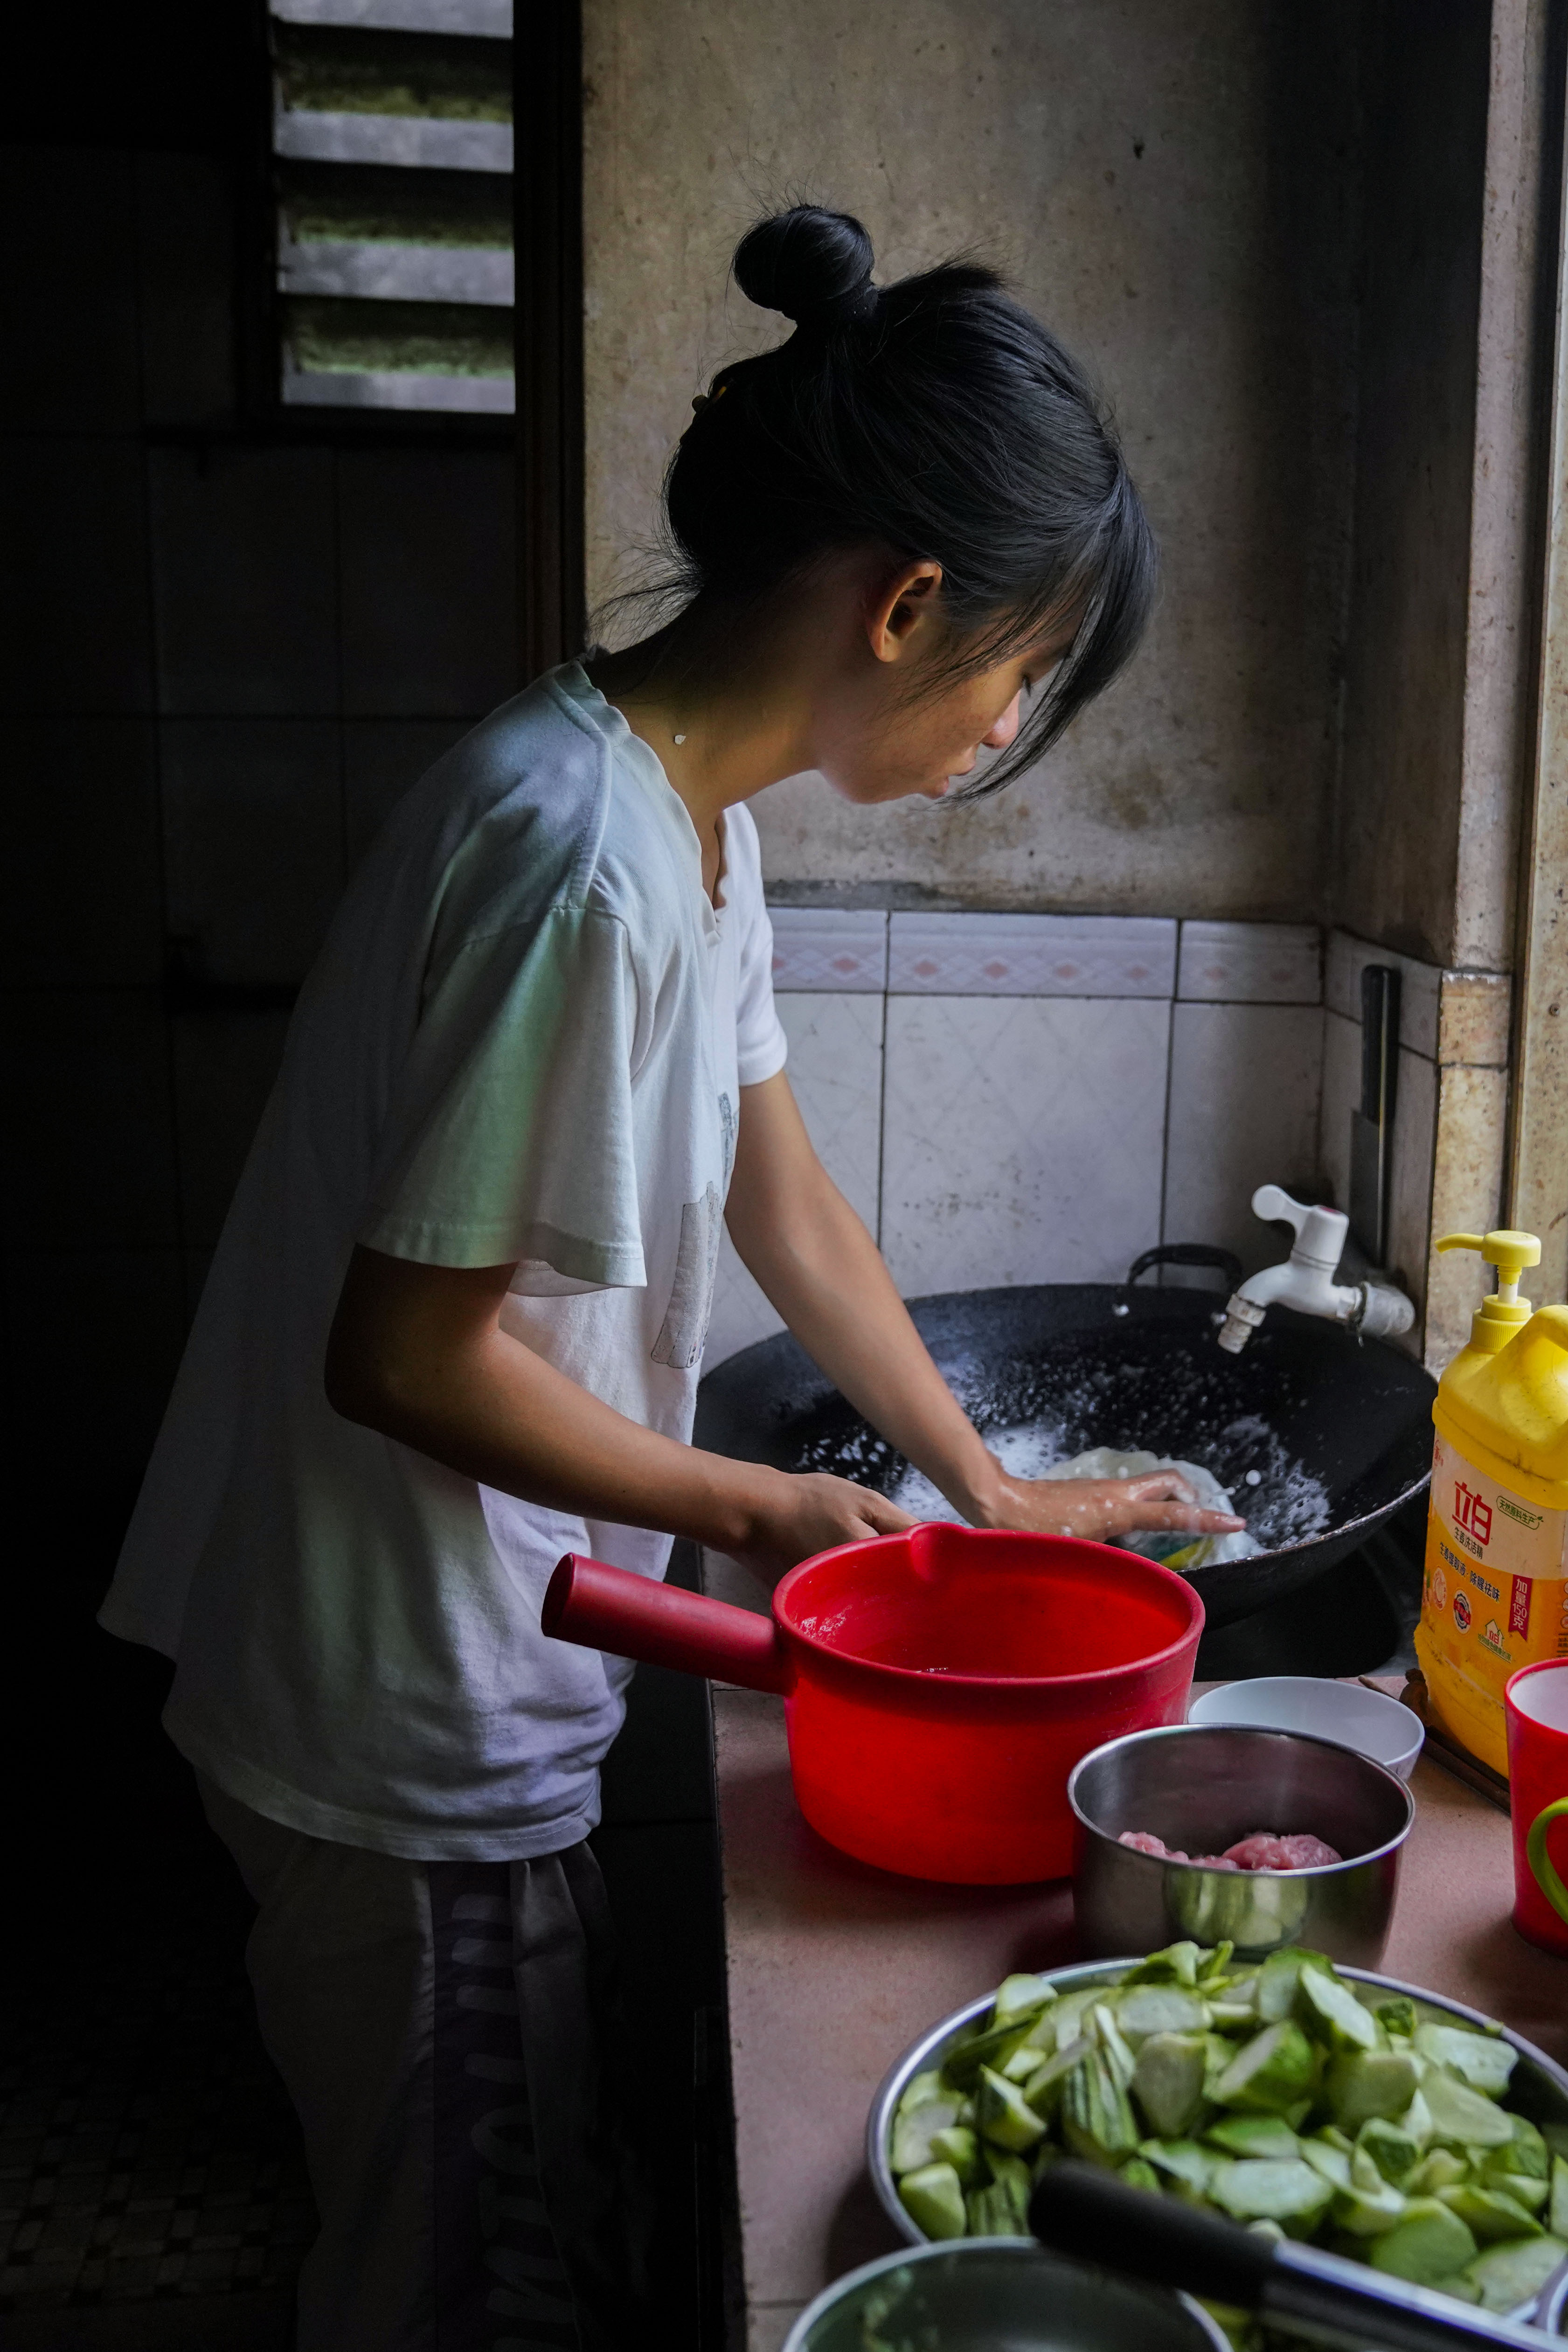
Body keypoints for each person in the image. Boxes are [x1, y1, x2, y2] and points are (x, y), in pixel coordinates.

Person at [99, 205, 1242, 2350]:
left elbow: (783, 1202)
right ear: (908, 607)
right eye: (1020, 678)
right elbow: (401, 1357)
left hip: (452, 1661)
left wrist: (981, 1486)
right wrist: (758, 1513)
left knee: (512, 2207)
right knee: (450, 2278)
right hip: (400, 1714)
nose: (1001, 734)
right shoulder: (583, 863)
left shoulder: (685, 822)